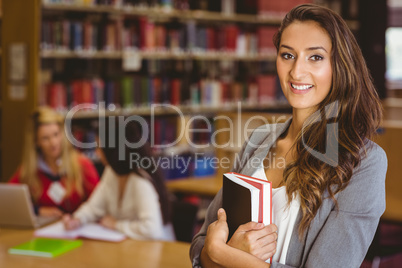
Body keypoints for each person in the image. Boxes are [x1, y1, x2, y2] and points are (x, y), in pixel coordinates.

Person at [190, 4, 387, 268]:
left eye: (315, 57)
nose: (296, 72)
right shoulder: (258, 140)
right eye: (287, 55)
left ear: (339, 65)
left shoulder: (365, 161)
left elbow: (213, 249)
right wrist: (212, 251)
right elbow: (200, 245)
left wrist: (223, 254)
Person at [62, 117, 175, 241]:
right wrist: (77, 219)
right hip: (129, 246)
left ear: (112, 150)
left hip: (155, 248)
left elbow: (152, 229)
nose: (97, 152)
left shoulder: (140, 181)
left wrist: (116, 225)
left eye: (100, 147)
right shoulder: (112, 172)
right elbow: (94, 206)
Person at [9, 107, 100, 217]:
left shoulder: (82, 165)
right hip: (45, 229)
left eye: (56, 134)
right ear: (36, 142)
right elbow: (8, 200)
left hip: (76, 227)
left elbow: (99, 204)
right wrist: (37, 210)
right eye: (45, 138)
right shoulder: (29, 169)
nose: (53, 143)